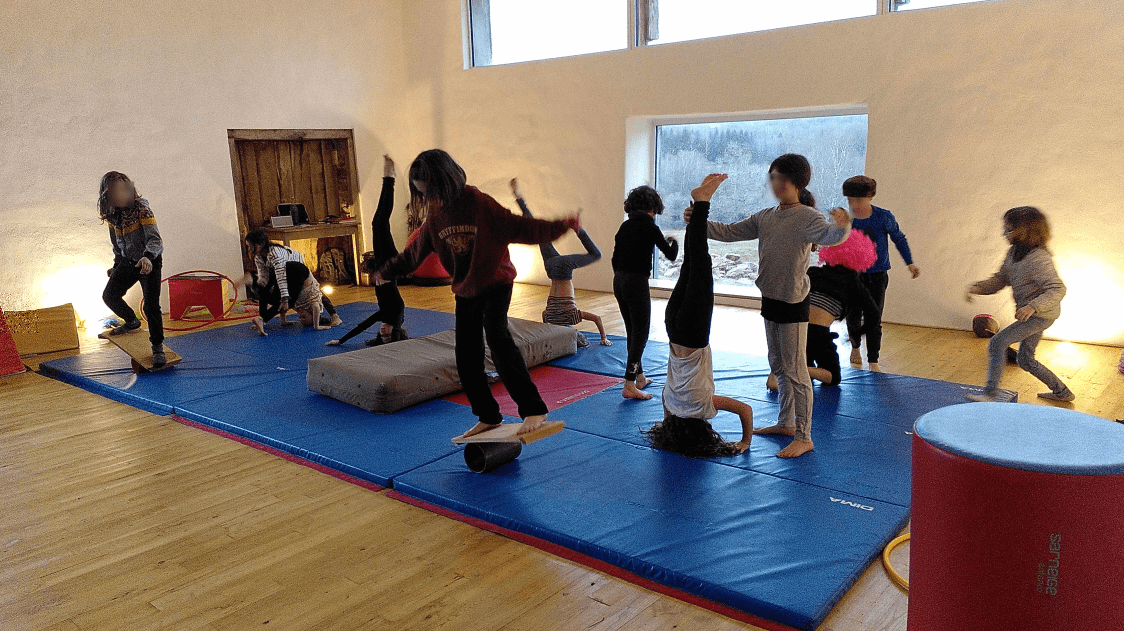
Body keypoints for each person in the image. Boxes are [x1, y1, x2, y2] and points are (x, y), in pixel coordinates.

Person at [374, 149, 579, 438]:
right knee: (466, 355)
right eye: (425, 194)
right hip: (466, 288)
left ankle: (534, 408)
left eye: (433, 192)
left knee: (498, 339)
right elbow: (414, 254)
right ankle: (488, 416)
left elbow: (521, 227)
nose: (433, 199)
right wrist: (387, 270)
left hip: (497, 283)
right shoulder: (435, 216)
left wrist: (560, 226)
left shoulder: (480, 204)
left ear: (449, 180)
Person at [697, 154, 850, 459]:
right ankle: (786, 423)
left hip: (793, 303)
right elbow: (728, 232)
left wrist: (844, 224)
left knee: (796, 371)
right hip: (770, 299)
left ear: (795, 181)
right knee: (778, 365)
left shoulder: (807, 217)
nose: (774, 183)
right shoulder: (766, 216)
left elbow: (833, 236)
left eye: (778, 177)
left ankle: (804, 436)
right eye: (772, 177)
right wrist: (699, 218)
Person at [644, 174, 754, 458]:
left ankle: (703, 202)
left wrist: (745, 442)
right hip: (672, 328)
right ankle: (696, 207)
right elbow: (667, 411)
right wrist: (668, 426)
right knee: (691, 262)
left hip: (694, 332)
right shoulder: (670, 403)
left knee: (700, 261)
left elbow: (746, 410)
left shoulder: (704, 406)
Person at [965, 206, 1073, 403]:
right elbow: (1001, 278)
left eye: (1009, 229)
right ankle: (1062, 391)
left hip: (1040, 315)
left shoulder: (1039, 258)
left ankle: (991, 393)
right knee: (1025, 359)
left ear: (1025, 231)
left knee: (997, 342)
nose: (1004, 233)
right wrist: (979, 288)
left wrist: (1033, 306)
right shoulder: (1013, 253)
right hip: (1034, 314)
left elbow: (1057, 288)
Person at [766, 230, 880, 390]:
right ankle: (803, 369)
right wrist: (857, 333)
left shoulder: (813, 272)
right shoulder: (855, 284)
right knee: (833, 377)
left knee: (802, 364)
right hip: (818, 335)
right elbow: (874, 315)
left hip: (794, 329)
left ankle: (779, 373)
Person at [510, 178, 611, 349]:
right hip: (550, 268)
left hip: (564, 269)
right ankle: (519, 197)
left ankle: (578, 229)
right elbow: (543, 313)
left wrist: (603, 338)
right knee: (538, 233)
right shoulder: (549, 318)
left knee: (596, 254)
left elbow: (597, 319)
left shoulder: (573, 318)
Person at [326, 155, 409, 347]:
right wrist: (387, 277)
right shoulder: (396, 315)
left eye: (383, 336)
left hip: (381, 264)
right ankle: (389, 178)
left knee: (376, 223)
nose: (383, 332)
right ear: (395, 332)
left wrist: (341, 340)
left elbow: (363, 325)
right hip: (390, 264)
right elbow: (397, 299)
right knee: (381, 223)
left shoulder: (382, 316)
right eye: (388, 335)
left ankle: (389, 178)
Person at [842, 176, 920, 372]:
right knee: (853, 315)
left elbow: (899, 239)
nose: (854, 204)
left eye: (858, 200)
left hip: (877, 275)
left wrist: (909, 262)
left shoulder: (883, 216)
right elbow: (835, 242)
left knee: (874, 318)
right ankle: (855, 347)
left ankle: (873, 360)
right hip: (853, 275)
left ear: (870, 197)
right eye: (850, 200)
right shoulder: (846, 220)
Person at [612, 186, 679, 401]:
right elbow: (670, 255)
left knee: (632, 330)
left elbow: (615, 259)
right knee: (641, 333)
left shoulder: (625, 226)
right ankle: (629, 384)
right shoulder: (650, 227)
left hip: (619, 280)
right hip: (636, 281)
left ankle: (639, 377)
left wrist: (623, 277)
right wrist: (674, 242)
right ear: (653, 207)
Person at [97, 171, 168, 367]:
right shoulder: (112, 216)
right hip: (128, 262)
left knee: (151, 306)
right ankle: (131, 321)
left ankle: (157, 347)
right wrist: (116, 266)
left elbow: (155, 240)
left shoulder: (142, 209)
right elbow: (117, 245)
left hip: (148, 262)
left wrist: (148, 257)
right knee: (109, 295)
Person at [238, 230, 342, 335]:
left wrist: (284, 298)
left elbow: (282, 277)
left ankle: (335, 316)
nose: (249, 249)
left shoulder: (275, 253)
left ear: (259, 244)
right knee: (269, 292)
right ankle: (262, 320)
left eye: (249, 246)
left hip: (296, 269)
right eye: (247, 246)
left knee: (291, 299)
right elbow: (264, 276)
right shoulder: (259, 257)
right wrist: (260, 288)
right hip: (286, 270)